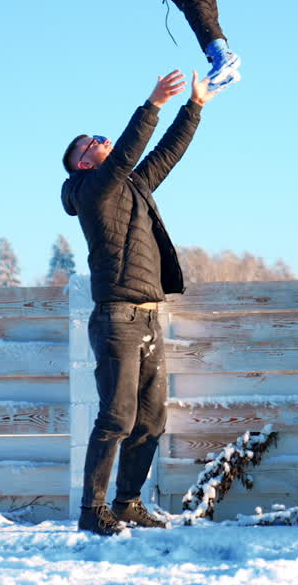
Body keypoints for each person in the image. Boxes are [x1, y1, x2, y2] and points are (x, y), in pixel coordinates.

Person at [60, 68, 220, 535]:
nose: (104, 143)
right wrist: (151, 104)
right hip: (117, 319)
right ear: (84, 163)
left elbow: (166, 154)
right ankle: (92, 511)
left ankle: (127, 502)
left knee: (150, 419)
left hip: (148, 316)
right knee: (117, 415)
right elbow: (127, 152)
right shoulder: (90, 191)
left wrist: (195, 106)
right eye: (94, 143)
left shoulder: (132, 186)